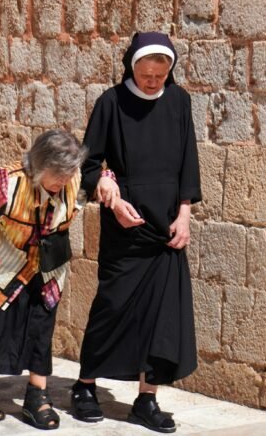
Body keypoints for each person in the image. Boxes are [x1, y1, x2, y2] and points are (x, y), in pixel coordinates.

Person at [70, 32, 201, 433]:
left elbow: (188, 162)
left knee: (164, 319)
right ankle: (85, 387)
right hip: (125, 225)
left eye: (160, 75)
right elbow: (88, 165)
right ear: (132, 67)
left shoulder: (179, 102)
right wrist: (108, 193)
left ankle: (147, 399)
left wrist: (184, 215)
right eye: (145, 74)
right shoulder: (110, 103)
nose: (152, 82)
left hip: (166, 228)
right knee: (112, 307)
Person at [0, 129, 86, 430]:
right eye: (57, 174)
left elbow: (90, 187)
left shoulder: (73, 179)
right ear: (39, 166)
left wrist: (109, 181)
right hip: (3, 264)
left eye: (68, 173)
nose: (64, 181)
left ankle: (37, 397)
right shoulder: (6, 184)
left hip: (47, 268)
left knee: (40, 329)